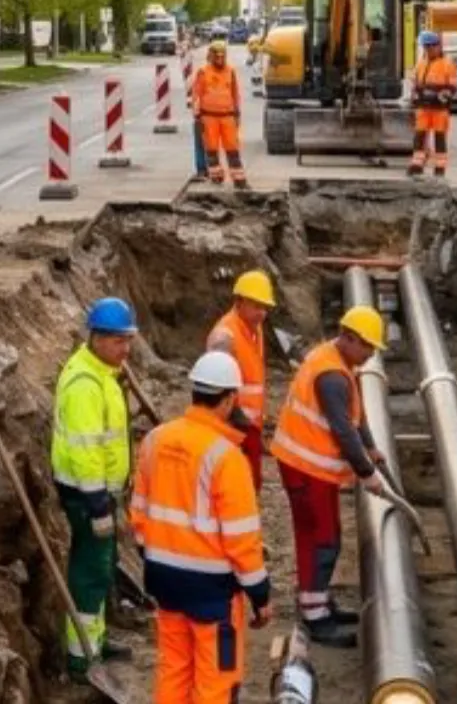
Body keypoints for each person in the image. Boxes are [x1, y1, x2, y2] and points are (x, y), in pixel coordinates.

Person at [131, 351, 272, 703]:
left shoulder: (155, 440)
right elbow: (242, 540)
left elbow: (139, 513)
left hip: (163, 579)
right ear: (228, 399)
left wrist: (154, 556)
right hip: (212, 590)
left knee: (174, 670)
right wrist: (260, 595)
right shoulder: (226, 458)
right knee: (216, 680)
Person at [269, 305, 388, 648]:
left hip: (312, 469)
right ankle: (315, 616)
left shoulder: (338, 362)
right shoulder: (332, 375)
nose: (371, 354)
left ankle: (318, 601)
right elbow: (342, 430)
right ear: (350, 339)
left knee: (328, 536)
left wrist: (371, 446)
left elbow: (355, 415)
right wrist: (367, 473)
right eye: (368, 347)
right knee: (320, 541)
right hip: (305, 468)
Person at [50, 296, 138, 681]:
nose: (126, 348)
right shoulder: (85, 384)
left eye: (128, 339)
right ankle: (81, 658)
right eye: (119, 341)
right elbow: (85, 453)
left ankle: (96, 641)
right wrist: (99, 504)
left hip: (100, 493)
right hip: (87, 496)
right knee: (90, 571)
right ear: (98, 339)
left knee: (102, 568)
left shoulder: (101, 371)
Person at [206, 270, 275, 491]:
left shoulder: (254, 329)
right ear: (239, 302)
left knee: (251, 483)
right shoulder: (225, 336)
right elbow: (215, 386)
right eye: (256, 306)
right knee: (235, 484)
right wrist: (236, 418)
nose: (261, 313)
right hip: (231, 424)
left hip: (250, 424)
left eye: (265, 307)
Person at [192, 40, 245, 188]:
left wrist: (237, 113)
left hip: (228, 116)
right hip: (208, 116)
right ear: (211, 56)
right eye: (217, 56)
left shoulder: (230, 71)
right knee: (211, 149)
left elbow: (235, 93)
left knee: (232, 148)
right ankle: (216, 176)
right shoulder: (203, 72)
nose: (220, 59)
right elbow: (196, 94)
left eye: (222, 56)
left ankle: (239, 178)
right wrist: (197, 115)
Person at [407, 30, 457, 178]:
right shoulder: (421, 64)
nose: (428, 49)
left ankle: (439, 168)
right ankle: (417, 165)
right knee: (419, 137)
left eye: (430, 46)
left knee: (439, 138)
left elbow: (452, 87)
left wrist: (442, 95)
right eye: (426, 47)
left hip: (439, 109)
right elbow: (416, 84)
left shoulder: (447, 65)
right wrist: (414, 97)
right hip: (423, 108)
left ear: (437, 46)